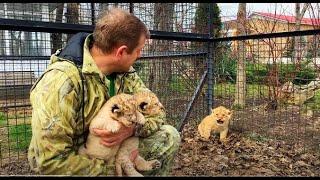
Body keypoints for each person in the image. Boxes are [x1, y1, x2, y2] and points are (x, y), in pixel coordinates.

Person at [28, 7, 181, 176]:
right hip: (80, 161)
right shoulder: (61, 81)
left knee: (169, 136)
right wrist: (113, 170)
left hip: (115, 151)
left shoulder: (126, 73)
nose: (140, 55)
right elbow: (51, 162)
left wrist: (130, 130)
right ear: (121, 52)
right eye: (139, 50)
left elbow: (158, 112)